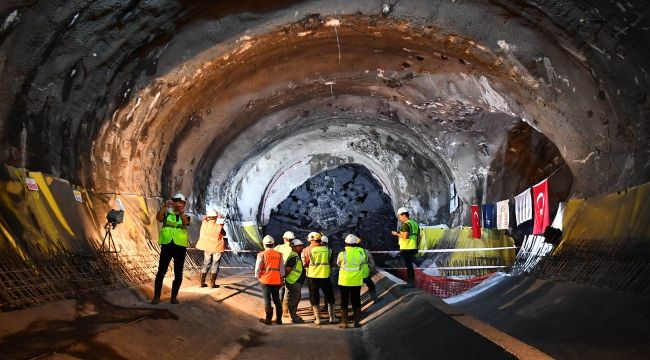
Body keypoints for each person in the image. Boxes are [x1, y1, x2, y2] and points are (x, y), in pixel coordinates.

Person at [151, 193, 191, 305]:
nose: (181, 205)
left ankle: (174, 297)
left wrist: (181, 212)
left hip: (180, 247)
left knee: (178, 273)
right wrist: (164, 207)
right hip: (167, 245)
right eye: (179, 202)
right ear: (174, 202)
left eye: (183, 203)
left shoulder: (186, 215)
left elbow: (186, 222)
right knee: (161, 271)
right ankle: (156, 297)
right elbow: (158, 218)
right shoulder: (167, 213)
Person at [303, 232, 339, 325]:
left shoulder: (309, 251)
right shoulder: (328, 250)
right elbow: (331, 262)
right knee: (329, 296)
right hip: (325, 275)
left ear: (314, 241)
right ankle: (332, 318)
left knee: (314, 297)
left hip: (313, 276)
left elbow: (305, 263)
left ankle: (318, 319)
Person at [337, 234, 366, 328]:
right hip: (356, 280)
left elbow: (338, 263)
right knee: (356, 300)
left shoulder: (342, 254)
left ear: (345, 243)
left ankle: (344, 323)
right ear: (355, 243)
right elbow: (363, 262)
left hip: (344, 281)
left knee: (344, 300)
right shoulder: (361, 252)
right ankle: (356, 322)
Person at [255, 235, 285, 325]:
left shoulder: (261, 254)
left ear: (264, 244)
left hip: (265, 280)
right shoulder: (279, 254)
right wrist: (281, 278)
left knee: (267, 300)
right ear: (273, 244)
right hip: (276, 280)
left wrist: (258, 276)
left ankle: (268, 320)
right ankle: (279, 320)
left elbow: (257, 269)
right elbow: (282, 270)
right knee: (277, 300)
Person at [195, 209, 226, 288]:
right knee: (215, 264)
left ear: (208, 216)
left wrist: (209, 216)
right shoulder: (219, 225)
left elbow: (204, 218)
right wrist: (220, 220)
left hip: (207, 247)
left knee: (206, 263)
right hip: (217, 247)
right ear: (216, 217)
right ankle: (212, 283)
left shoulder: (204, 223)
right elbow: (224, 233)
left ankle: (202, 283)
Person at [391, 207, 419, 288]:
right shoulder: (414, 223)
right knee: (410, 265)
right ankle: (411, 282)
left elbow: (405, 235)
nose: (399, 219)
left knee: (409, 266)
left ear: (404, 215)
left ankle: (410, 283)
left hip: (407, 247)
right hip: (412, 247)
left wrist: (396, 233)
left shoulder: (406, 224)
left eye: (399, 217)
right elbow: (418, 236)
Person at [284, 239, 306, 323]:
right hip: (293, 281)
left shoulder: (296, 255)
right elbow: (288, 269)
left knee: (297, 298)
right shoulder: (293, 256)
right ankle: (293, 317)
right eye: (299, 246)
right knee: (294, 299)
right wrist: (285, 278)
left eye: (302, 246)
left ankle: (294, 314)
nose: (302, 247)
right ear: (294, 247)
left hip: (295, 281)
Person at [274, 231, 295, 318]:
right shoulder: (294, 249)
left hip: (280, 272)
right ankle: (285, 311)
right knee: (288, 291)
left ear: (285, 239)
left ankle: (279, 311)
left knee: (280, 291)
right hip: (290, 272)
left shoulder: (278, 247)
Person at [360, 239, 379, 303]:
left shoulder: (345, 253)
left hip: (354, 276)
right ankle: (375, 299)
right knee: (371, 285)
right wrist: (370, 271)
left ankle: (356, 305)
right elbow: (372, 264)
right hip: (365, 274)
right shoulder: (365, 251)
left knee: (355, 290)